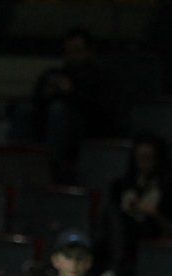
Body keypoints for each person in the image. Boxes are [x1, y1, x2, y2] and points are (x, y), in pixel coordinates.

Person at [28, 28, 116, 183]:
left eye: (78, 51)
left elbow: (101, 111)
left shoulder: (100, 76)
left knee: (58, 111)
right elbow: (37, 103)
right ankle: (20, 159)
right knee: (24, 112)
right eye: (68, 52)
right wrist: (45, 94)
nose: (72, 56)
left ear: (90, 51)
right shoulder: (56, 74)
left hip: (87, 126)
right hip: (51, 126)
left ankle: (52, 166)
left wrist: (71, 92)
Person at [93, 134, 172, 276]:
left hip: (152, 232)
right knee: (112, 216)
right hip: (124, 233)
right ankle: (112, 269)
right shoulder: (122, 184)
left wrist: (153, 213)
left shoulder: (169, 187)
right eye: (140, 158)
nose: (143, 163)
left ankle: (117, 270)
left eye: (148, 158)